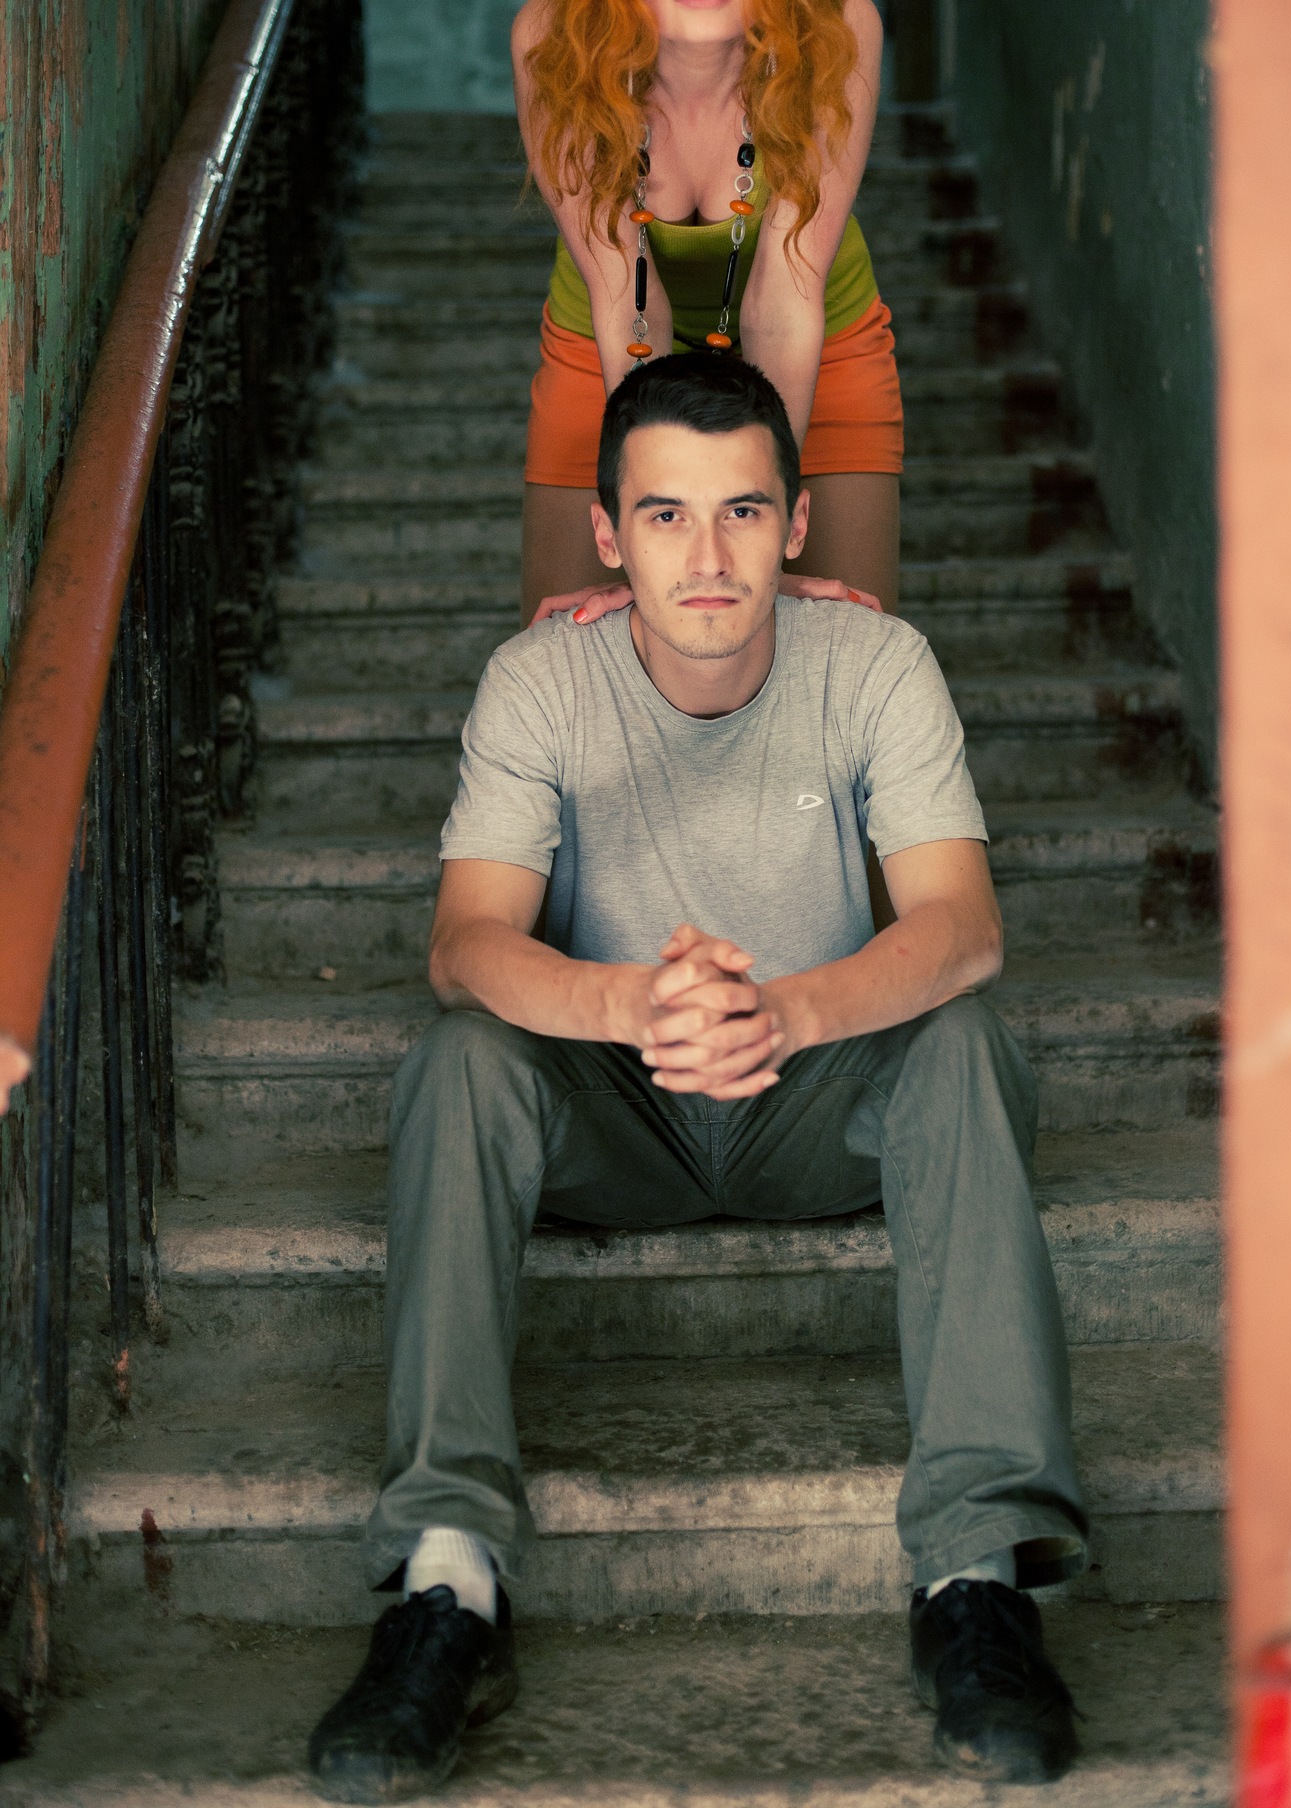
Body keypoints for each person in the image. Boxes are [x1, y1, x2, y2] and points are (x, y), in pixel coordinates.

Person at [307, 353, 1088, 1803]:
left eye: (742, 512)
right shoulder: (542, 679)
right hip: (617, 1109)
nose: (708, 556)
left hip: (814, 1101)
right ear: (608, 535)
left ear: (798, 523)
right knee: (460, 1063)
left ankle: (977, 1577)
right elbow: (465, 944)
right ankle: (446, 1583)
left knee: (964, 1041)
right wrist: (626, 1000)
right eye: (665, 515)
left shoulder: (876, 663)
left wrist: (787, 1012)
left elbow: (963, 928)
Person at [512, 0, 904, 625]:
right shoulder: (556, 41)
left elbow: (783, 303)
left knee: (843, 642)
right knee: (579, 644)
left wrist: (756, 529)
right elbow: (629, 307)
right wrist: (651, 529)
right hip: (605, 348)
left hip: (818, 343)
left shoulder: (836, 28)